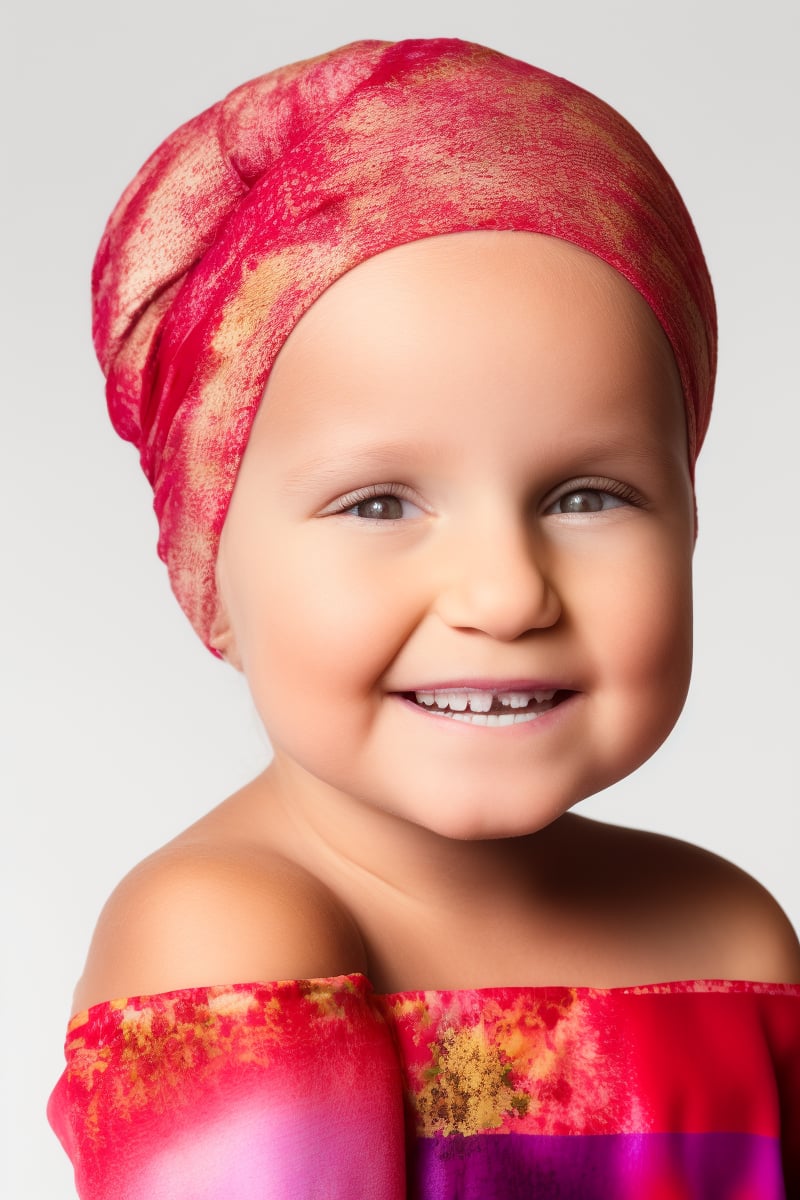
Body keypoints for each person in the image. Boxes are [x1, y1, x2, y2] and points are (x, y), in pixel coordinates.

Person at [48, 37, 800, 1198]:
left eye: (586, 495)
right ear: (207, 568)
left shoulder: (734, 935)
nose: (504, 594)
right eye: (379, 502)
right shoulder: (224, 935)